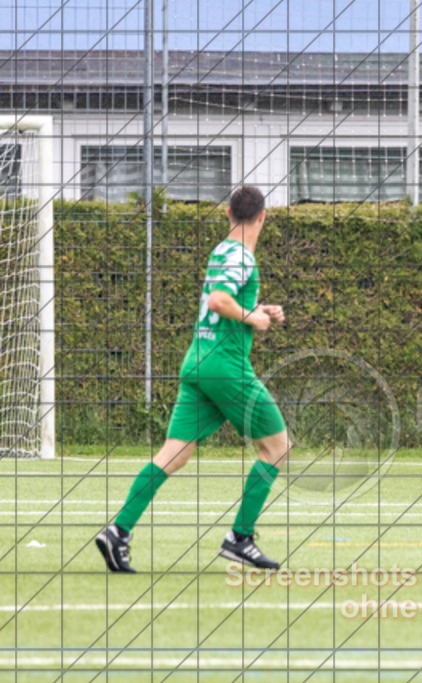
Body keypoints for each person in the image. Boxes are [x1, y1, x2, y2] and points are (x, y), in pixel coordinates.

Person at [96, 185, 290, 573]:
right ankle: (240, 538)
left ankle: (118, 531)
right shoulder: (242, 255)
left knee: (175, 454)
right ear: (263, 216)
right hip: (226, 368)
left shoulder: (222, 249)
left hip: (198, 362)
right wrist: (252, 318)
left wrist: (256, 309)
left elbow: (222, 303)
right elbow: (220, 301)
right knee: (277, 448)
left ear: (227, 214)